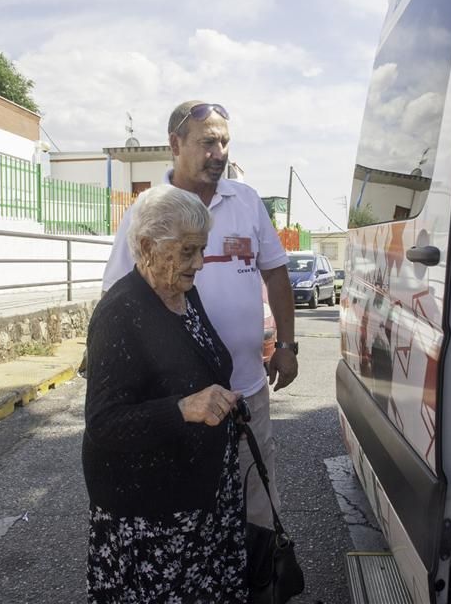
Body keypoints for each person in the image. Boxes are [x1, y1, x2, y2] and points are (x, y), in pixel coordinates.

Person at [102, 101, 298, 529]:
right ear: (175, 144)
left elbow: (277, 275)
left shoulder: (246, 201)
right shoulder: (147, 211)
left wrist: (286, 345)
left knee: (258, 502)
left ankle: (262, 585)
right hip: (181, 403)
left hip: (247, 390)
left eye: (225, 141)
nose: (219, 152)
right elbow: (115, 297)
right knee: (194, 512)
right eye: (207, 142)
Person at [84, 184, 247, 602]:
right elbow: (104, 424)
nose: (200, 262)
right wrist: (183, 409)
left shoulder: (184, 295)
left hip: (201, 499)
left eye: (202, 249)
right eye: (188, 250)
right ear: (145, 246)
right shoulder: (120, 313)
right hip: (154, 515)